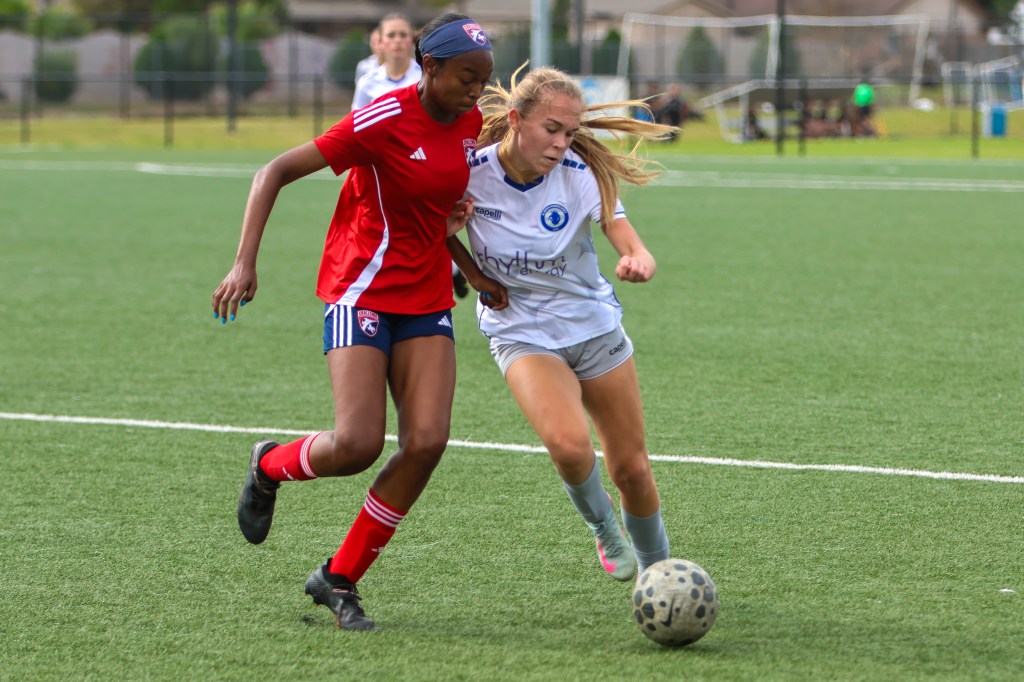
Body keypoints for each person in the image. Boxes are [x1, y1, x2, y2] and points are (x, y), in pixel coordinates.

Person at [212, 12, 499, 632]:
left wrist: (470, 272)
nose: (477, 93)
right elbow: (274, 172)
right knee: (357, 445)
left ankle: (337, 577)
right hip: (359, 290)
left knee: (426, 443)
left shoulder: (471, 121)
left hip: (425, 298)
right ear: (431, 67)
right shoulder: (384, 118)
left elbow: (435, 209)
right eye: (467, 79)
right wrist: (244, 264)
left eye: (485, 80)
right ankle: (269, 466)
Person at [446, 65, 677, 581]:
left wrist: (640, 259)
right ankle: (603, 528)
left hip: (592, 328)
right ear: (515, 120)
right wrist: (470, 268)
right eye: (552, 129)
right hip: (520, 331)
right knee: (570, 447)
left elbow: (624, 234)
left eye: (570, 133)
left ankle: (660, 574)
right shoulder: (471, 174)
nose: (561, 143)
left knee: (631, 469)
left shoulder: (580, 176)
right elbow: (430, 225)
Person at [352, 13, 422, 111]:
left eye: (403, 35)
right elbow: (356, 122)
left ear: (412, 40)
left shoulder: (424, 77)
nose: (397, 40)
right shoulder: (367, 83)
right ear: (380, 42)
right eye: (391, 35)